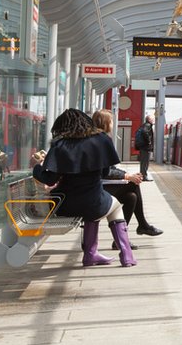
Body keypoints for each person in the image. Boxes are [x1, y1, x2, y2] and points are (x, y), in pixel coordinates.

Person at [31, 109, 136, 267]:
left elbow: (49, 179)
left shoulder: (59, 145)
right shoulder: (101, 140)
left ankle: (91, 254)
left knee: (94, 208)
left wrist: (37, 167)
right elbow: (105, 172)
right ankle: (125, 255)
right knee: (114, 207)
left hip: (63, 205)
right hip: (94, 202)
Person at [93, 110, 164, 251]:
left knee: (131, 197)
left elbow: (110, 168)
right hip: (95, 188)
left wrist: (127, 174)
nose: (113, 124)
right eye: (112, 121)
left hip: (97, 185)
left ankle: (120, 239)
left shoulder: (98, 138)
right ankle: (142, 225)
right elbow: (105, 171)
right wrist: (128, 177)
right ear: (106, 123)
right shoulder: (101, 140)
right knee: (133, 185)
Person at [136, 113, 155, 181]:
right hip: (145, 147)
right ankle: (144, 176)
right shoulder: (148, 125)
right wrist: (149, 142)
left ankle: (142, 176)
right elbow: (144, 132)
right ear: (149, 120)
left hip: (143, 147)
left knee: (143, 162)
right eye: (152, 119)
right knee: (145, 162)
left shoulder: (144, 125)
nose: (153, 120)